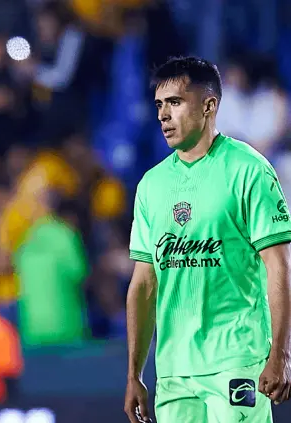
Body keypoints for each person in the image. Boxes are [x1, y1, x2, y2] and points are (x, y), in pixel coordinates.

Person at [124, 56, 291, 423]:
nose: (162, 115)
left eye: (175, 102)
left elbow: (277, 265)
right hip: (173, 373)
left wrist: (279, 353)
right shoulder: (151, 185)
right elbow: (143, 284)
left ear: (209, 105)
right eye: (158, 105)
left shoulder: (249, 170)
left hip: (235, 361)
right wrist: (134, 373)